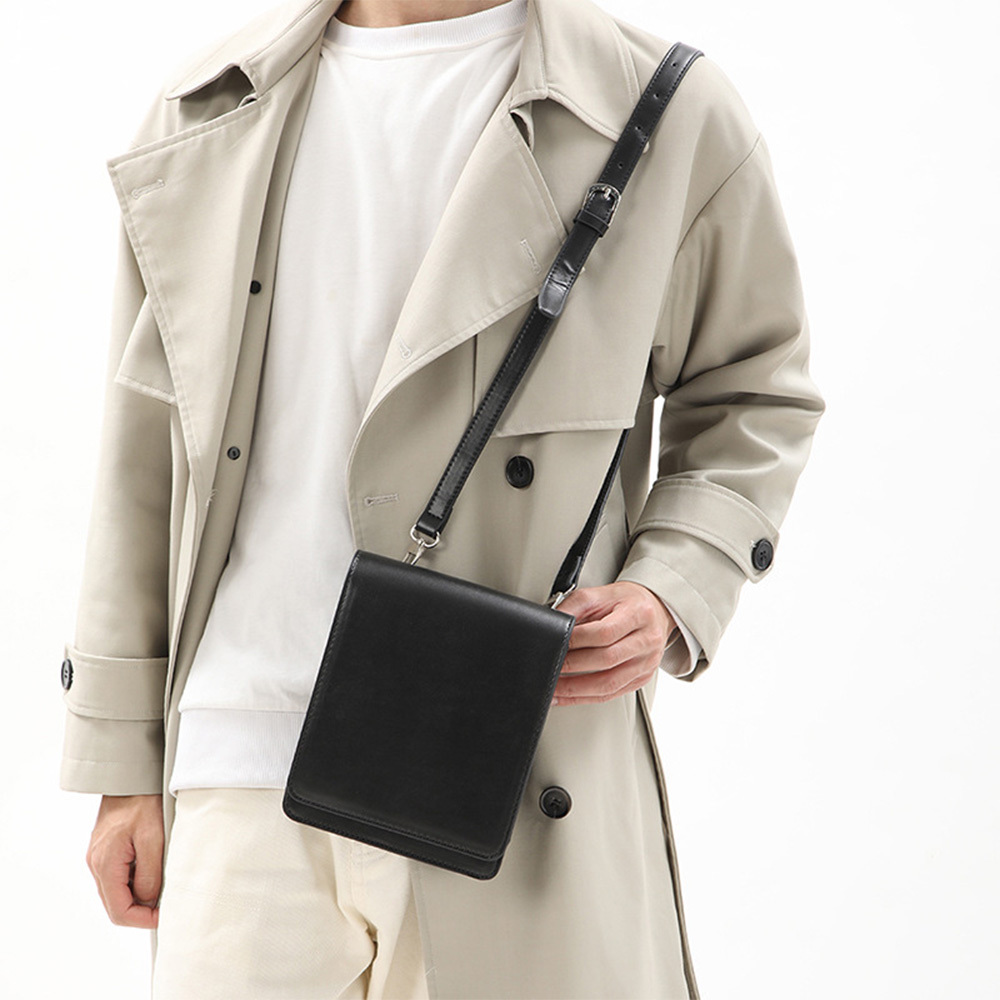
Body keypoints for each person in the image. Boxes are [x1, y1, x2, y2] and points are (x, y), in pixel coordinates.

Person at [60, 0, 825, 996]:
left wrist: (673, 584)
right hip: (234, 770)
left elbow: (755, 388)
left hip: (502, 762)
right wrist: (123, 761)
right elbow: (146, 451)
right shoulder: (207, 105)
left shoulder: (661, 104)